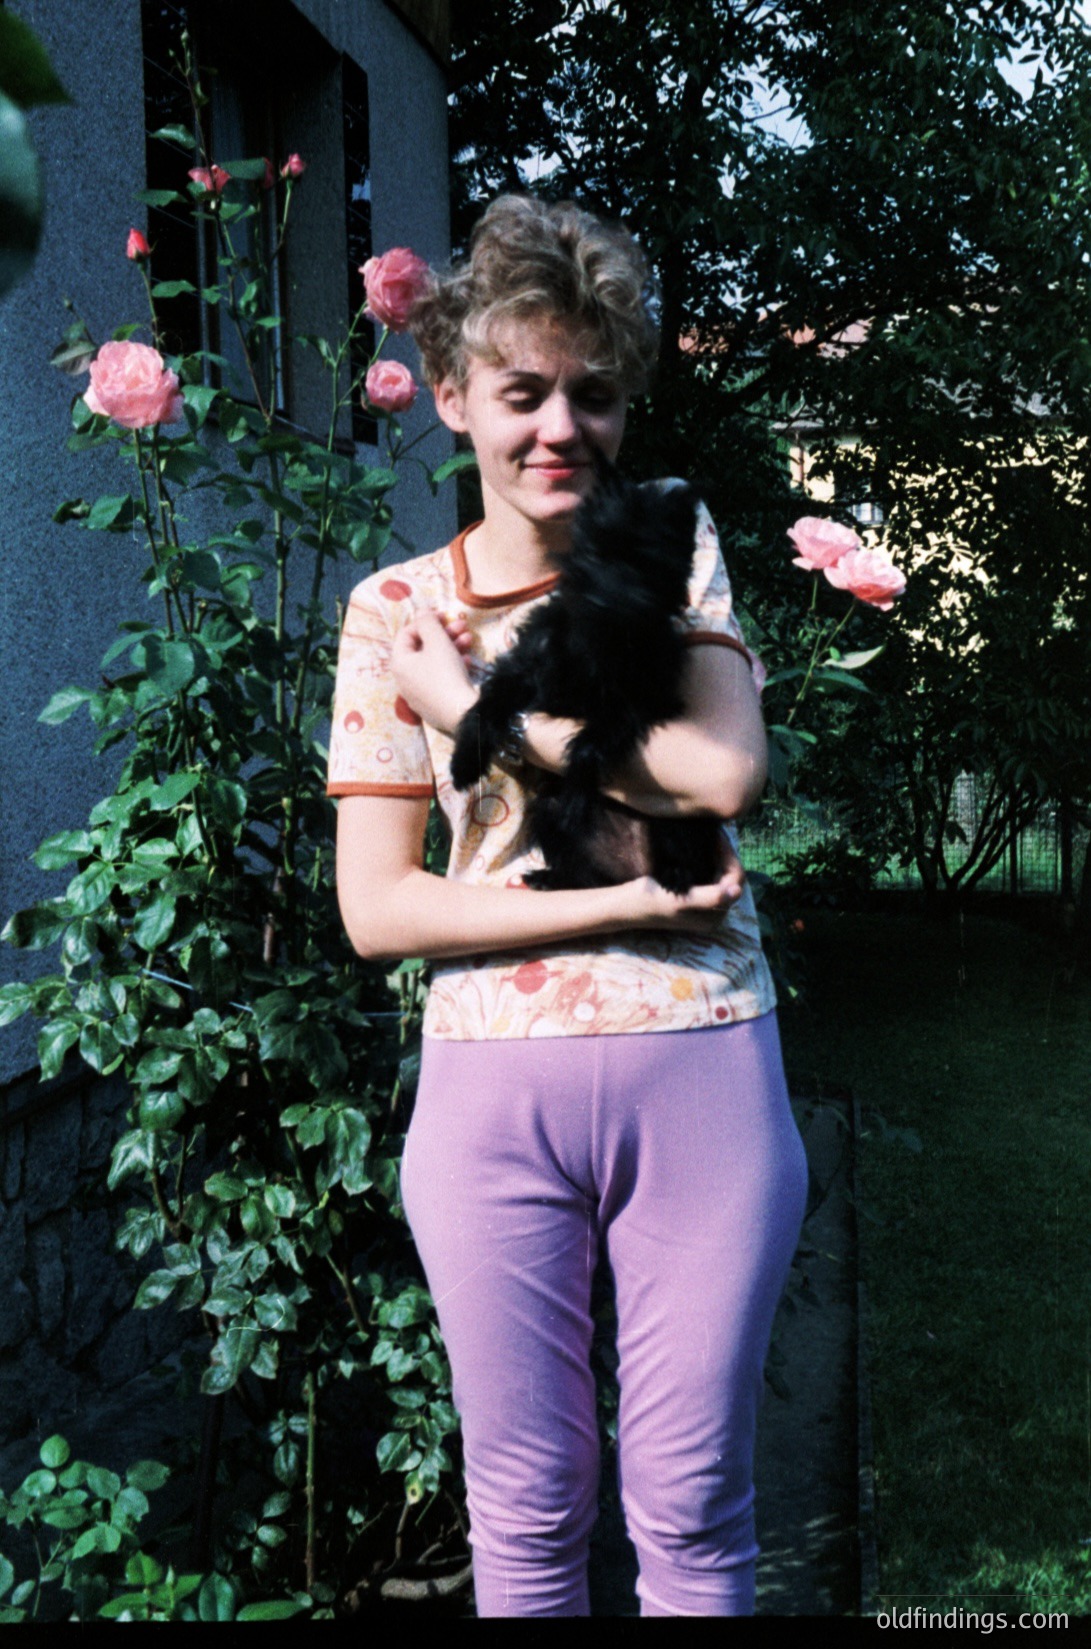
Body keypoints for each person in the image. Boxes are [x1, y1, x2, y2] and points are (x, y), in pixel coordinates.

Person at [328, 195, 808, 1618]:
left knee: (697, 1513)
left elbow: (720, 768)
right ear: (457, 397)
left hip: (704, 1069)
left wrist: (480, 714)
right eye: (523, 391)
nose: (560, 428)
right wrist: (602, 915)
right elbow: (381, 908)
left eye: (593, 394)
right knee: (526, 1524)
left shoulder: (667, 538)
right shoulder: (394, 609)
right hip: (490, 1104)